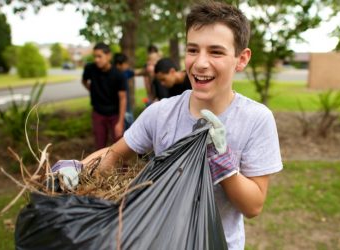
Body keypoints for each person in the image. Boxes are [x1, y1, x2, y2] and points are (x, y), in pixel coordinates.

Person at [60, 2, 282, 249]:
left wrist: (223, 162)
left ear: (241, 59)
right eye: (193, 50)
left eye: (216, 52)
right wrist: (79, 170)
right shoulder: (161, 113)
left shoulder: (256, 119)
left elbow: (253, 206)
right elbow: (115, 155)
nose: (200, 63)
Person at [82, 43, 128, 150]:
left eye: (99, 56)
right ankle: (101, 167)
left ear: (108, 56)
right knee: (99, 146)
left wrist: (120, 122)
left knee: (119, 146)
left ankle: (123, 167)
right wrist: (92, 90)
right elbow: (84, 81)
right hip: (98, 112)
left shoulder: (118, 75)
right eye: (95, 56)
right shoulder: (90, 69)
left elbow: (123, 98)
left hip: (114, 114)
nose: (96, 59)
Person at [113, 53, 135, 129]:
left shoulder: (125, 72)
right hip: (118, 107)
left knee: (130, 126)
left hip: (127, 106)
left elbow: (134, 72)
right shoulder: (115, 75)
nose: (127, 66)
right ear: (119, 64)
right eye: (126, 64)